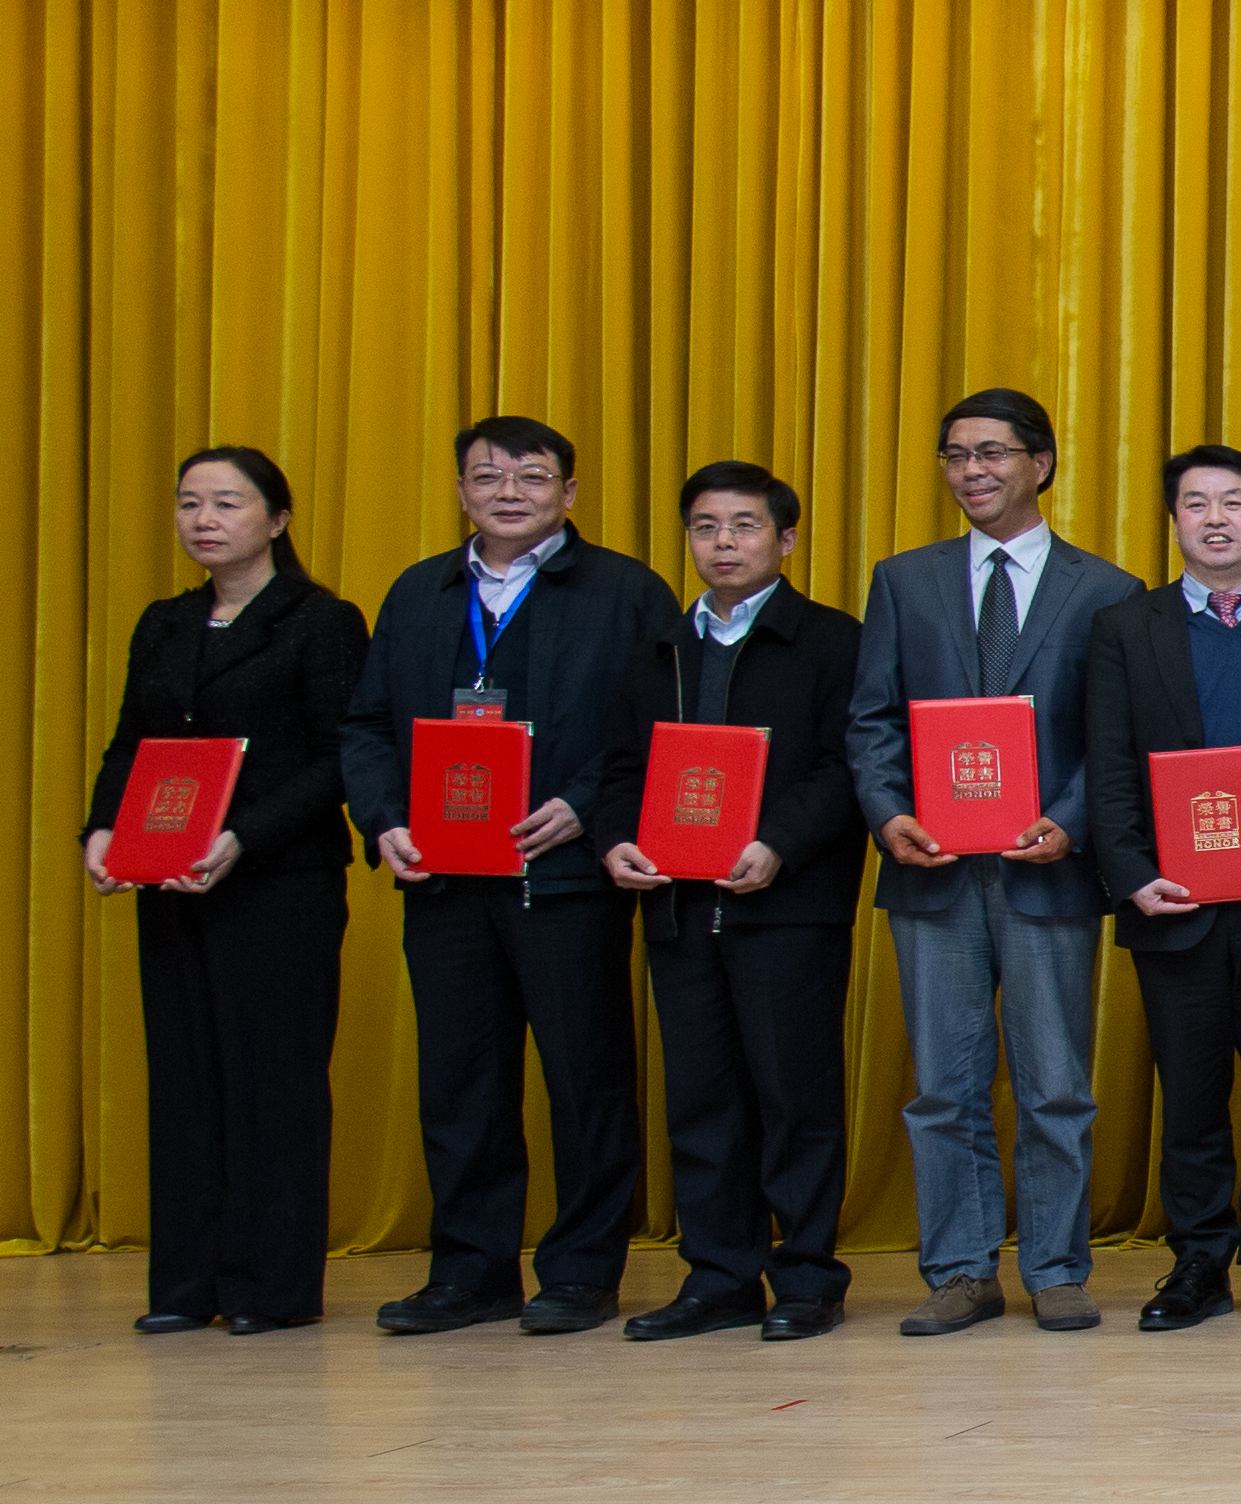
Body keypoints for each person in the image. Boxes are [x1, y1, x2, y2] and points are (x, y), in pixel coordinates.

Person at [340, 416, 680, 1336]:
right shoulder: (419, 592)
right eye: (488, 477)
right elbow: (365, 726)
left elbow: (661, 728)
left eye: (532, 477)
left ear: (569, 492)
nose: (509, 493)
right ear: (460, 491)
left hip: (565, 879)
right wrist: (385, 819)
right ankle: (470, 1272)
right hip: (443, 880)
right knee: (461, 1084)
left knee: (585, 1080)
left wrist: (584, 805)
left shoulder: (626, 592)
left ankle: (581, 1271)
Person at [847, 388, 1146, 1335]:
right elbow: (871, 720)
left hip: (1048, 870)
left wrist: (1070, 821)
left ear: (1040, 464)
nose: (972, 471)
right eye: (956, 455)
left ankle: (1056, 1268)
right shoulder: (905, 581)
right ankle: (961, 1271)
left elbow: (1115, 735)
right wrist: (889, 814)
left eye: (992, 452)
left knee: (1055, 1083)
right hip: (931, 870)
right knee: (944, 1085)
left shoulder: (1106, 589)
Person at [83, 446, 365, 1335]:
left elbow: (339, 758)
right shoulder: (164, 622)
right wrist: (101, 830)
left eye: (227, 503)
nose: (204, 519)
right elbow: (129, 744)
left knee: (273, 1082)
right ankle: (184, 1286)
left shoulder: (321, 621)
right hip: (171, 876)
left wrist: (242, 836)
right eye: (189, 503)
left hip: (278, 880)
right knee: (185, 1077)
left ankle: (270, 1289)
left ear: (277, 520)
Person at [596, 460, 871, 1341]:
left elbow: (849, 765)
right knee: (702, 1101)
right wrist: (616, 839)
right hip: (677, 907)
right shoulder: (658, 648)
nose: (724, 544)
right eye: (706, 527)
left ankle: (808, 1278)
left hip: (787, 907)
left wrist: (779, 842)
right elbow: (620, 769)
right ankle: (717, 1276)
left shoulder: (831, 640)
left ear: (785, 540)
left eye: (745, 526)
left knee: (795, 1098)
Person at [1080, 444, 1241, 1331]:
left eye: (1234, 502)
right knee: (1188, 1092)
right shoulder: (1124, 628)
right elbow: (1109, 764)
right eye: (1196, 503)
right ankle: (1196, 1258)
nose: (1216, 519)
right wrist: (1131, 875)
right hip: (1173, 900)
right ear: (1174, 521)